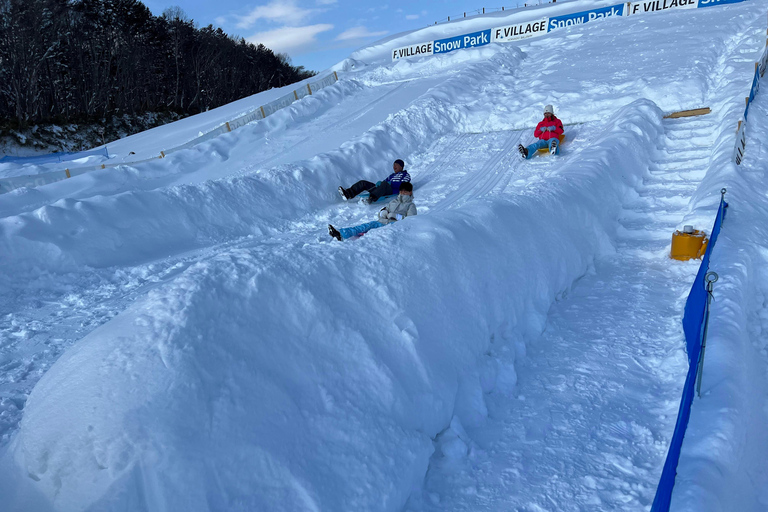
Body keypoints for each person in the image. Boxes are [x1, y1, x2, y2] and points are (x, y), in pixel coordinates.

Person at [329, 182, 416, 241]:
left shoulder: (411, 205)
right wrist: (383, 213)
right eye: (401, 191)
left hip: (393, 225)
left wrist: (397, 217)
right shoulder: (393, 202)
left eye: (405, 192)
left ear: (410, 192)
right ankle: (342, 234)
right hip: (382, 221)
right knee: (366, 226)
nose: (403, 193)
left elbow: (412, 221)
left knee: (373, 232)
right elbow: (384, 210)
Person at [338, 159, 411, 204]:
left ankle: (371, 199)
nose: (394, 167)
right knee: (363, 183)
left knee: (385, 184)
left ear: (401, 166)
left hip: (391, 190)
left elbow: (404, 185)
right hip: (383, 188)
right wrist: (380, 183)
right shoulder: (391, 175)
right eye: (393, 165)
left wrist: (390, 184)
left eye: (396, 165)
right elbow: (384, 182)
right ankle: (348, 194)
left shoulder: (405, 175)